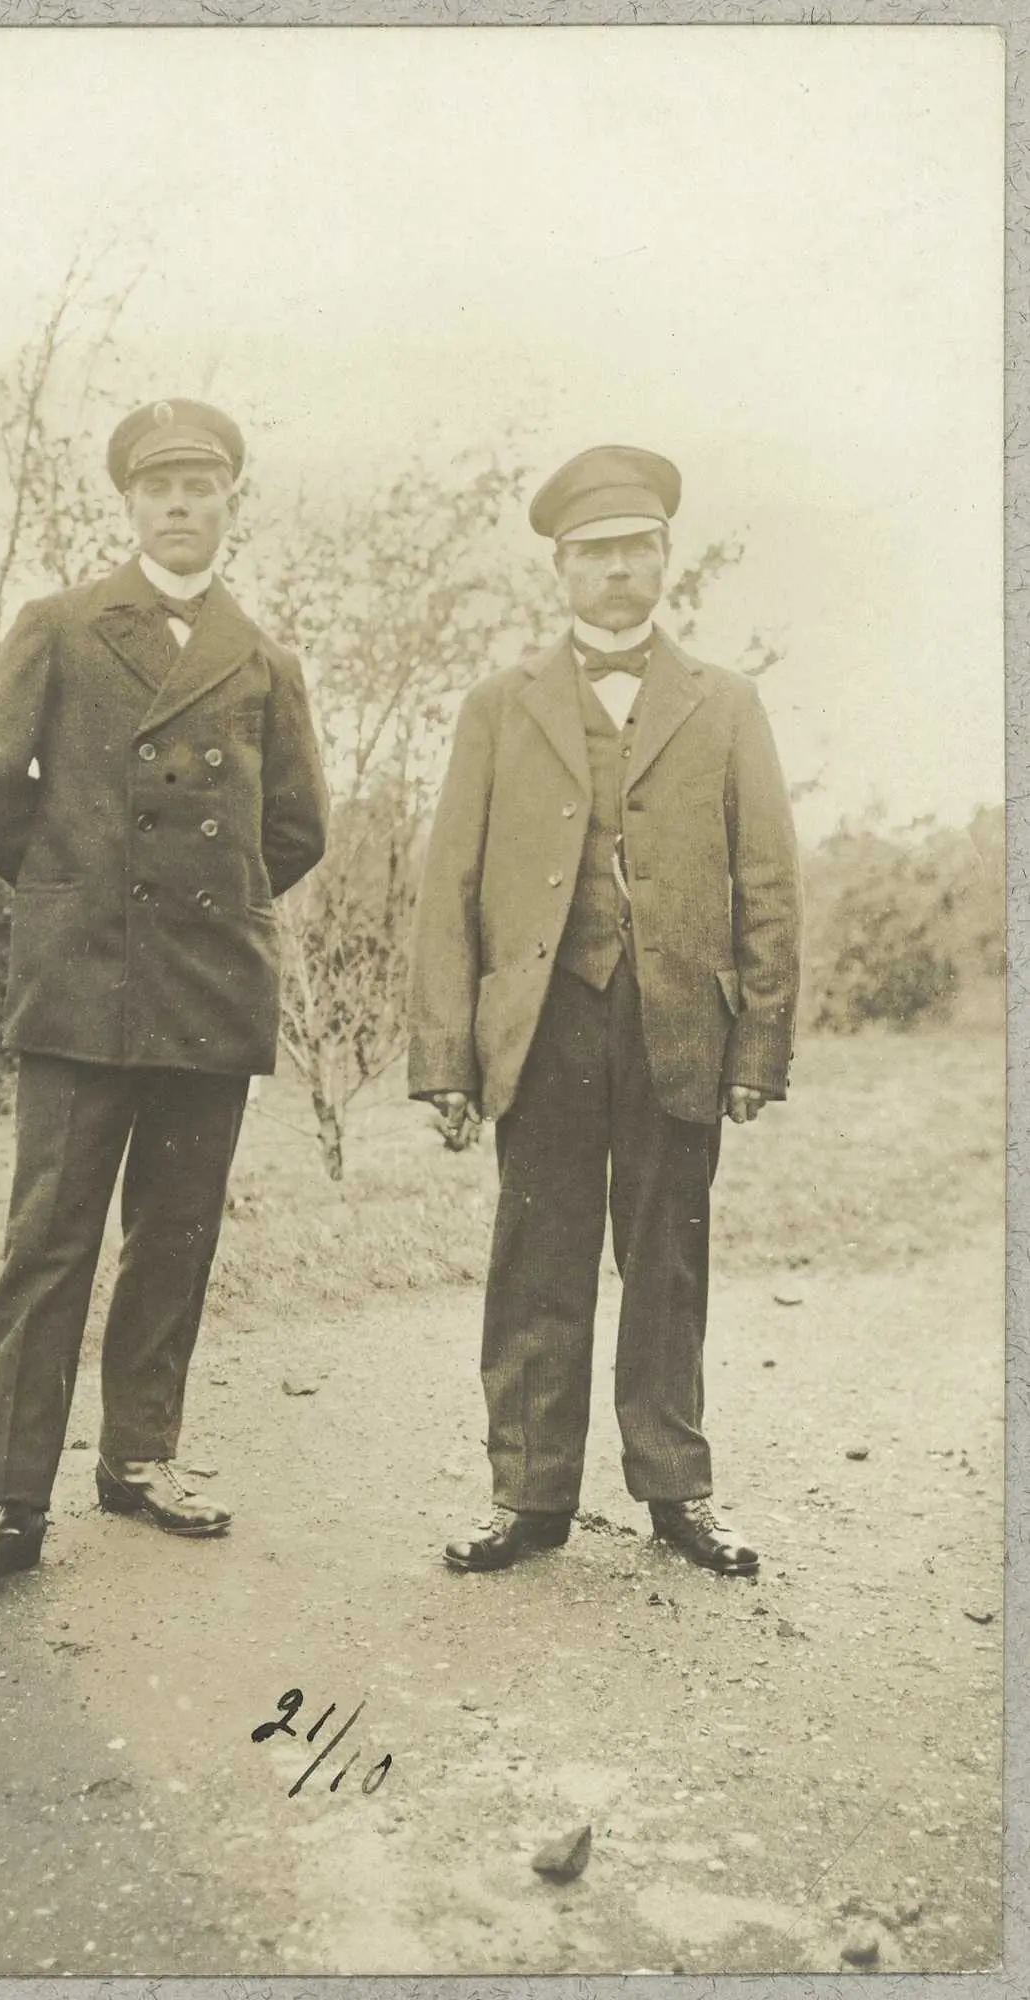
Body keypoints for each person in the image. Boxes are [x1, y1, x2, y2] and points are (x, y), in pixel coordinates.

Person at [0, 399, 329, 1601]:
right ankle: (7, 1502)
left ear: (230, 500)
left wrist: (209, 909)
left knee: (176, 1233)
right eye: (158, 487)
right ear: (130, 502)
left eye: (201, 485)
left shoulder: (264, 657)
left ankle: (140, 1457)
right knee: (47, 1242)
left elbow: (296, 826)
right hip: (82, 980)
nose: (180, 503)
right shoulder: (60, 625)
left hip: (209, 986)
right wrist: (69, 885)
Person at [408, 445, 800, 1577]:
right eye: (593, 552)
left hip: (680, 1022)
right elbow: (451, 883)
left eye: (634, 548)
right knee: (537, 1252)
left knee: (667, 1255)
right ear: (560, 569)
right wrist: (445, 1055)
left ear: (664, 558)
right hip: (543, 1020)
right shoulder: (499, 705)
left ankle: (677, 1489)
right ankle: (527, 1495)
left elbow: (768, 879)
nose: (616, 569)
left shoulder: (726, 701)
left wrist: (757, 1045)